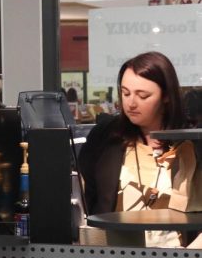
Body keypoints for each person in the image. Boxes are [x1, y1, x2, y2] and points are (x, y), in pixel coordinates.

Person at [77, 52, 199, 247]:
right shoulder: (105, 138)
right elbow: (85, 201)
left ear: (166, 96)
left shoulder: (192, 143)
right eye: (125, 93)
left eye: (143, 95)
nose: (131, 103)